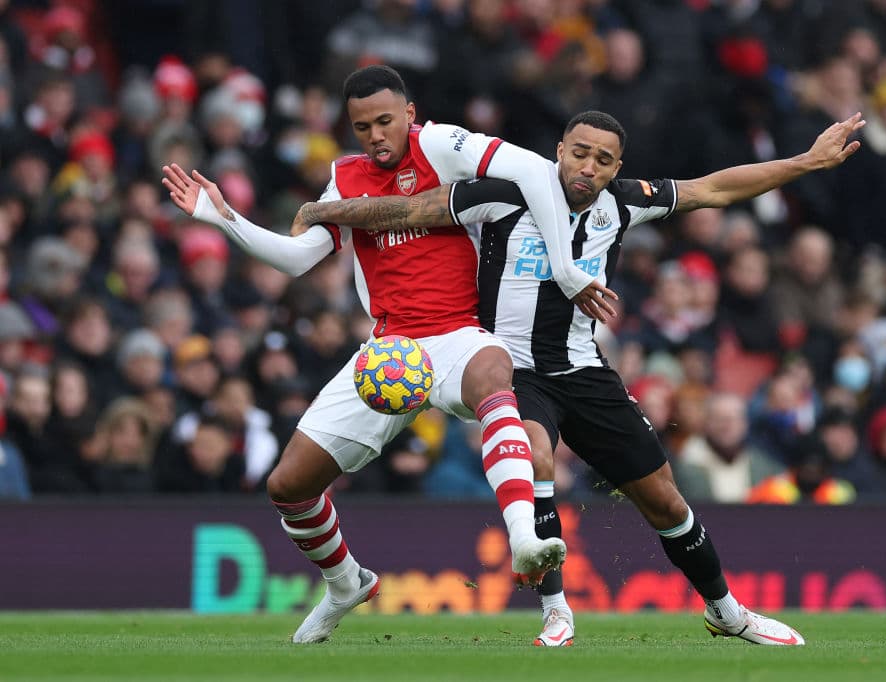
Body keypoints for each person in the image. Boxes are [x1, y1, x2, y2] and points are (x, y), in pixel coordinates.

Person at [287, 109, 864, 646]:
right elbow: (408, 210)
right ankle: (556, 609)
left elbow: (713, 188)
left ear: (617, 168)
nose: (588, 168)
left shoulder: (625, 203)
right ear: (559, 150)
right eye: (579, 153)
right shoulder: (502, 195)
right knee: (534, 457)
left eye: (603, 160)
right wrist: (324, 210)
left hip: (584, 371)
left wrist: (806, 162)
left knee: (663, 500)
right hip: (509, 367)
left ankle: (725, 609)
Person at [161, 65, 615, 644]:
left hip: (457, 335)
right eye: (361, 127)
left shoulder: (441, 145)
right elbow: (299, 258)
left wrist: (566, 267)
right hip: (388, 354)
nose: (375, 136)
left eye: (384, 121)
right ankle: (347, 581)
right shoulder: (344, 177)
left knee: (493, 371)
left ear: (408, 113)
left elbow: (532, 168)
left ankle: (523, 537)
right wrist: (224, 221)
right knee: (288, 485)